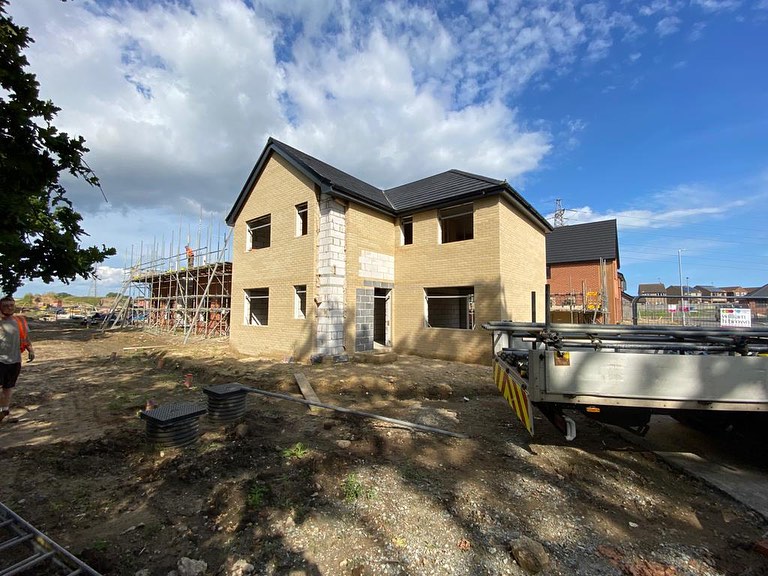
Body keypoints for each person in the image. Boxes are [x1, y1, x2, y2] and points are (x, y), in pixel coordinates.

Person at [0, 295, 34, 423]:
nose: (9, 308)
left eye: (11, 305)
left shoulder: (20, 321)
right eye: (5, 306)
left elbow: (25, 337)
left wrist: (31, 350)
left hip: (15, 360)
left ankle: (4, 411)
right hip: (0, 360)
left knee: (8, 387)